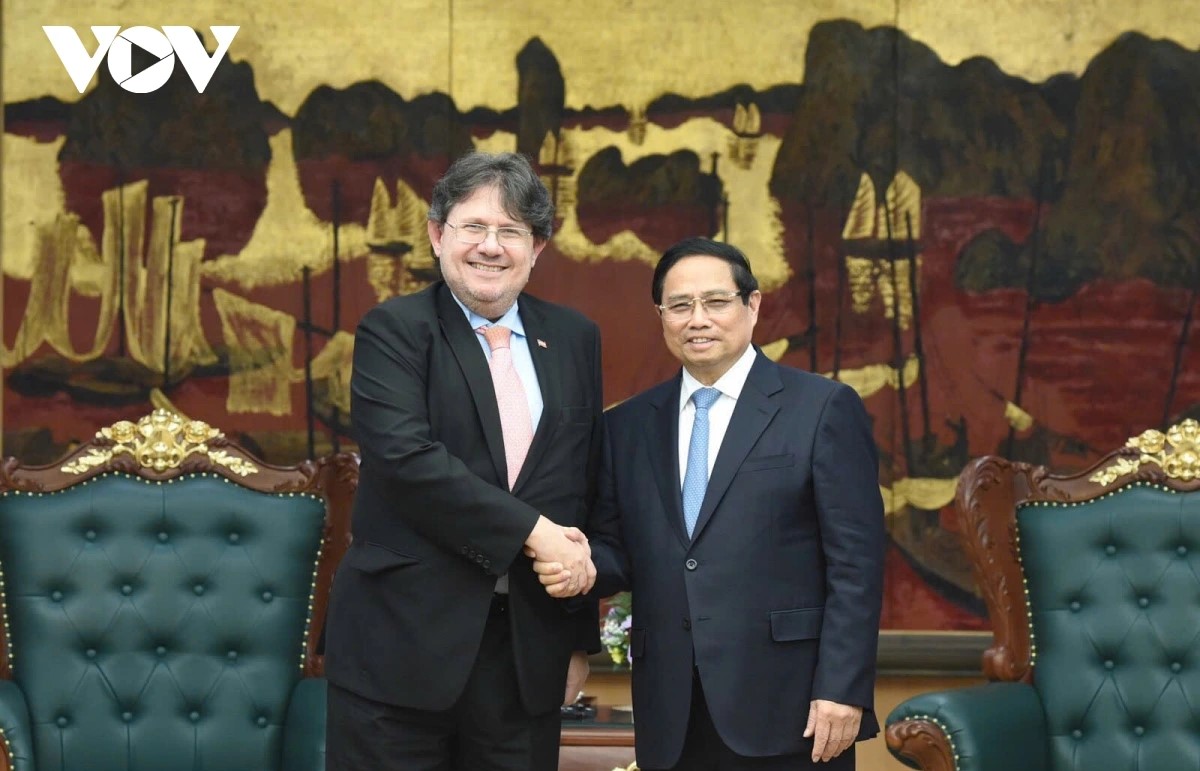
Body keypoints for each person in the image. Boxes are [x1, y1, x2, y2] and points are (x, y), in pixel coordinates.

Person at [536, 237, 886, 770]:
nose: (697, 319)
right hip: (672, 709)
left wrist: (842, 688)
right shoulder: (627, 426)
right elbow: (618, 550)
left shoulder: (821, 408)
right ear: (661, 316)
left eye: (716, 302)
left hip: (792, 706)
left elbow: (856, 564)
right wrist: (576, 566)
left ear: (753, 305)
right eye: (680, 305)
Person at [324, 151, 603, 771]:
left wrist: (577, 637)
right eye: (473, 226)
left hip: (525, 656)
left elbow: (578, 490)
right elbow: (408, 461)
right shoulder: (394, 330)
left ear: (537, 248)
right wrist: (534, 533)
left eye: (511, 231)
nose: (490, 247)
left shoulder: (575, 338)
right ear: (436, 235)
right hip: (400, 652)